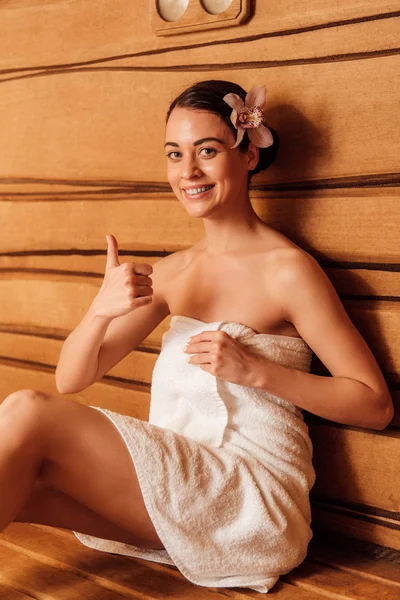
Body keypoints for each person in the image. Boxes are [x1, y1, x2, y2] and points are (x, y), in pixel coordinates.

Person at [1, 79, 393, 594]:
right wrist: (99, 312)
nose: (188, 172)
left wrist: (257, 372)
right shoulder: (174, 274)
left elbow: (373, 405)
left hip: (251, 503)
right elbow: (72, 378)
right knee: (18, 468)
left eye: (207, 151)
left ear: (249, 154)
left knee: (27, 411)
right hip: (183, 492)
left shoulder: (288, 272)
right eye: (174, 154)